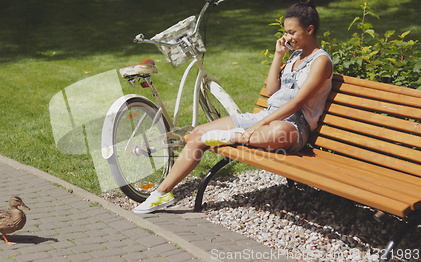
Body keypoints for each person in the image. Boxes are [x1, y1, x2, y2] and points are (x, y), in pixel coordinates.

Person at [133, 0, 333, 214]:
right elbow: (273, 91)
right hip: (266, 117)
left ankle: (237, 136)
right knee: (198, 133)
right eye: (286, 32)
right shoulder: (294, 56)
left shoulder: (320, 61)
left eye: (292, 32)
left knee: (277, 131)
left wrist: (260, 124)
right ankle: (161, 194)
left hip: (294, 127)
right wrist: (278, 55)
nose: (287, 38)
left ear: (309, 29)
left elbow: (297, 103)